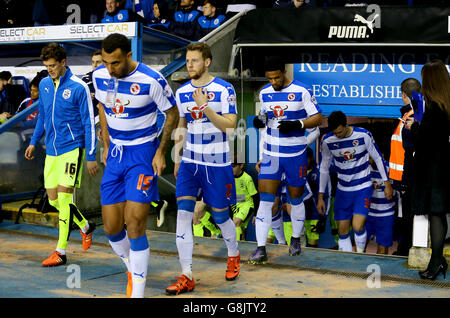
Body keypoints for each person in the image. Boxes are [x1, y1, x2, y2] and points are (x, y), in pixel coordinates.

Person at [93, 33, 178, 297]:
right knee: (110, 227)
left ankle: (138, 292)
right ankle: (133, 267)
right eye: (106, 62)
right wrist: (106, 144)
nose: (110, 68)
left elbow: (172, 113)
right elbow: (103, 106)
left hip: (142, 154)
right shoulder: (100, 75)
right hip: (116, 154)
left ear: (129, 56)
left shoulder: (152, 80)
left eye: (115, 63)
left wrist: (161, 151)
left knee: (134, 223)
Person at [166, 42, 240, 295]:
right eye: (187, 60)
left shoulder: (224, 89)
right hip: (190, 163)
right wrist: (178, 159)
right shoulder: (183, 91)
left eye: (194, 60)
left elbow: (230, 127)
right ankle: (186, 274)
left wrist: (205, 106)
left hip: (217, 165)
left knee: (220, 217)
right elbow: (183, 125)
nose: (189, 65)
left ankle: (233, 253)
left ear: (207, 62)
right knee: (183, 215)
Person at [24, 43, 99, 267]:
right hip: (51, 151)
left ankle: (61, 251)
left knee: (65, 198)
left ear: (63, 63)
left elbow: (89, 123)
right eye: (47, 66)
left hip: (72, 149)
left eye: (53, 66)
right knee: (54, 201)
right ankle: (85, 225)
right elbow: (43, 118)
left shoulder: (78, 87)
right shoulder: (45, 84)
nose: (50, 70)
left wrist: (91, 155)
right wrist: (33, 142)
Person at [249, 56, 322, 264]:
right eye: (270, 78)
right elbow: (265, 117)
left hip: (296, 155)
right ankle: (261, 248)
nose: (273, 82)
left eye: (276, 78)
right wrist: (260, 120)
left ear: (284, 73)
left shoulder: (302, 90)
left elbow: (317, 118)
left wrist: (298, 124)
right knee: (265, 201)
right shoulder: (265, 93)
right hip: (272, 154)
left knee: (295, 199)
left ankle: (296, 239)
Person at [317, 111, 393, 253]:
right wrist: (320, 196)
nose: (338, 135)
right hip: (342, 190)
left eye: (340, 131)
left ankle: (360, 254)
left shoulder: (363, 135)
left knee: (358, 226)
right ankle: (346, 261)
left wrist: (387, 183)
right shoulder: (327, 140)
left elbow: (377, 158)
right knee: (342, 231)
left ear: (346, 125)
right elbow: (324, 169)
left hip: (362, 187)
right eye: (335, 133)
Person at [404, 59, 450, 280]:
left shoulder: (434, 106)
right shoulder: (446, 102)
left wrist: (414, 127)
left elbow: (426, 138)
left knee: (436, 214)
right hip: (443, 166)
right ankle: (437, 260)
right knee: (437, 214)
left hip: (433, 168)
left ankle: (437, 261)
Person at [389, 78, 421, 256]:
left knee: (408, 216)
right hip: (406, 176)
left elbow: (410, 152)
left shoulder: (411, 118)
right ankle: (404, 248)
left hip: (406, 177)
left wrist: (405, 181)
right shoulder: (412, 116)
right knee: (407, 215)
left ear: (403, 95)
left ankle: (405, 250)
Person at [366, 157, 397, 254]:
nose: (371, 159)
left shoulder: (391, 168)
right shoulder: (364, 168)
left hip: (386, 215)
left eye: (373, 156)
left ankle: (380, 269)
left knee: (382, 252)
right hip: (366, 214)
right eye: (370, 157)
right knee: (359, 247)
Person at [230, 159, 258, 241]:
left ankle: (236, 248)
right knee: (239, 228)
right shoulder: (228, 178)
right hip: (235, 205)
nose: (231, 169)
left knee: (236, 222)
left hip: (247, 204)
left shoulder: (247, 178)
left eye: (233, 166)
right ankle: (241, 247)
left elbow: (255, 196)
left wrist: (256, 214)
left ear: (241, 165)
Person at [81, 50, 103, 124]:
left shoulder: (111, 78)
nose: (95, 65)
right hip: (92, 120)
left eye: (98, 62)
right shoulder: (86, 78)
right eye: (93, 62)